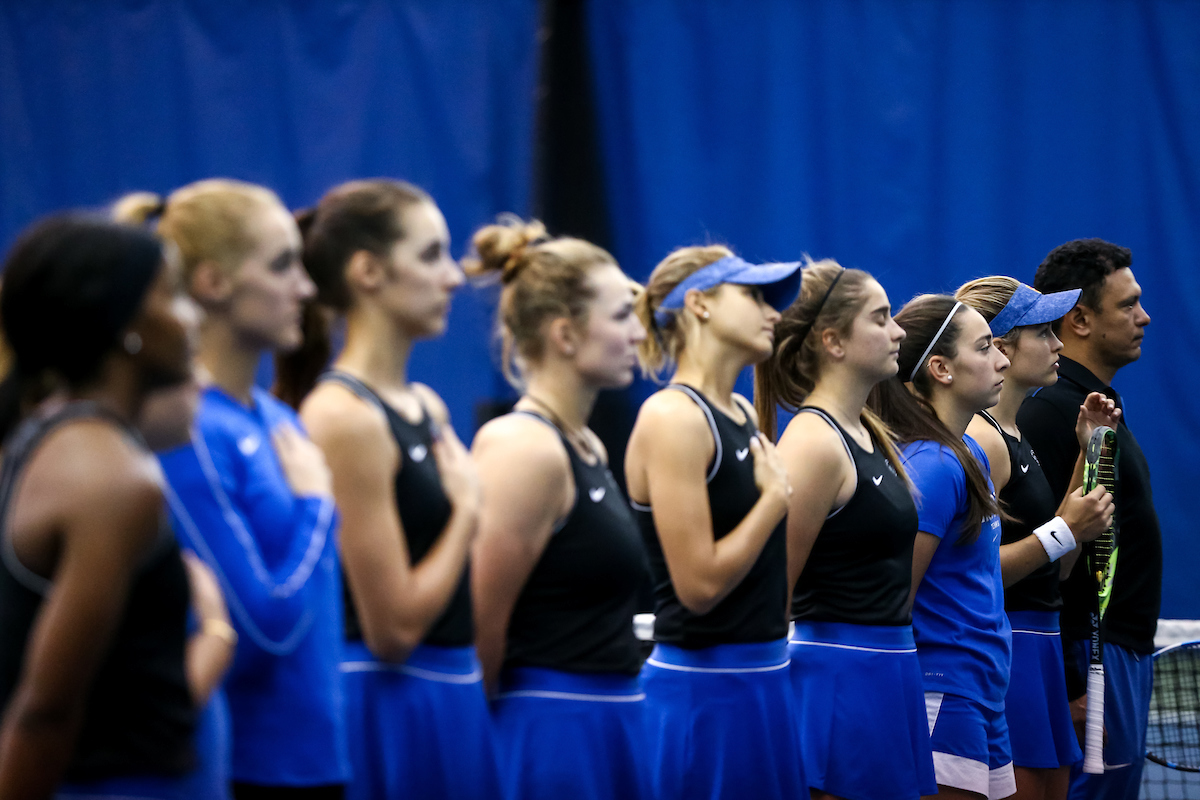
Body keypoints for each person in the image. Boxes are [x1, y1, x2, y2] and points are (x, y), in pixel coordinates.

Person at [116, 181, 350, 799]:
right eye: (282, 266)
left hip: (320, 759)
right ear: (213, 284)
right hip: (249, 767)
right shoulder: (190, 432)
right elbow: (257, 633)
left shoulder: (280, 421)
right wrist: (317, 508)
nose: (305, 287)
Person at [283, 179, 501, 800]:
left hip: (454, 695)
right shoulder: (342, 418)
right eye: (431, 254)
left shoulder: (425, 406)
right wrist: (465, 511)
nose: (455, 277)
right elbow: (393, 630)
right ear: (368, 272)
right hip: (391, 706)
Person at [0, 215, 217, 798]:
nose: (193, 317)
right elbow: (47, 708)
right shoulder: (114, 479)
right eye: (171, 296)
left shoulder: (46, 431)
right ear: (125, 327)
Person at [467, 219, 652, 800]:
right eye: (622, 314)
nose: (638, 334)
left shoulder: (587, 446)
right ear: (564, 335)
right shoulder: (523, 449)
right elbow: (480, 629)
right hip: (550, 740)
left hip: (611, 725)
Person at [626, 246, 805, 800]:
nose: (773, 312)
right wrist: (774, 502)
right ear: (699, 304)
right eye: (753, 296)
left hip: (767, 681)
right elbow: (699, 587)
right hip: (702, 695)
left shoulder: (743, 413)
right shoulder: (672, 417)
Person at [755, 259, 937, 800]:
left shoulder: (869, 431)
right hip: (838, 689)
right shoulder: (813, 444)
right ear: (833, 342)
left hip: (892, 678)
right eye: (881, 318)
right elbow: (773, 597)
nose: (899, 330)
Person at [956, 277, 1119, 800]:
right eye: (1045, 333)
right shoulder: (982, 440)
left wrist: (1088, 456)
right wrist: (1064, 531)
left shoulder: (1015, 435)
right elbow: (971, 576)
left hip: (1040, 649)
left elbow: (1058, 563)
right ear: (1000, 347)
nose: (1058, 345)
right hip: (1010, 649)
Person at [1016, 240, 1158, 800]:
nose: (1143, 317)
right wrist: (1076, 678)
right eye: (1128, 305)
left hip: (1115, 654)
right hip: (1091, 658)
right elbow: (1050, 562)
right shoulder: (1050, 412)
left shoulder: (1094, 405)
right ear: (1080, 319)